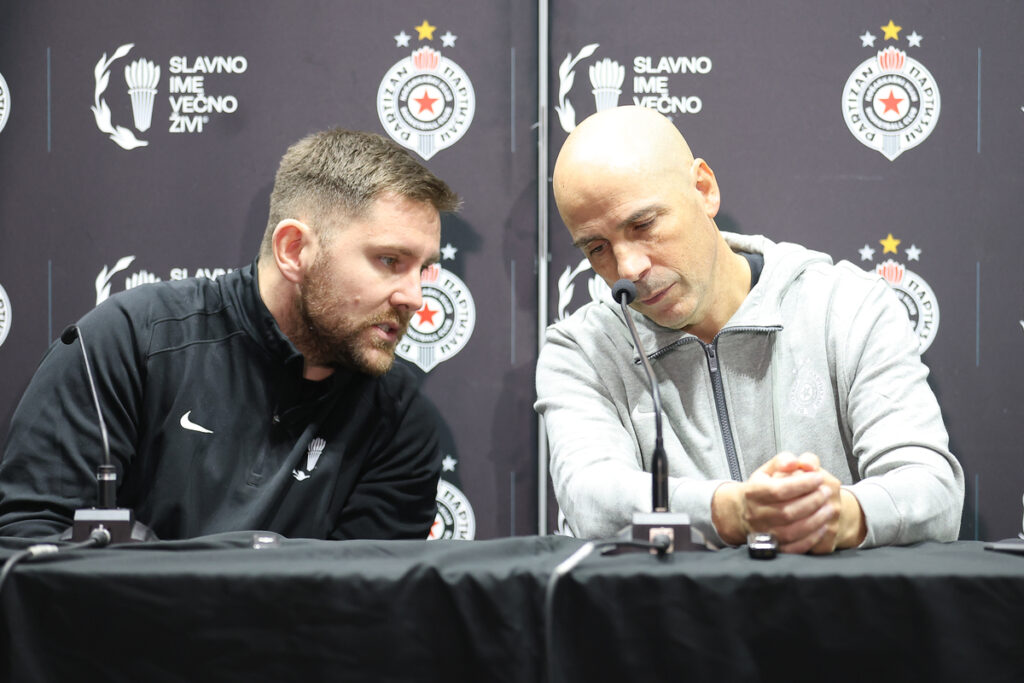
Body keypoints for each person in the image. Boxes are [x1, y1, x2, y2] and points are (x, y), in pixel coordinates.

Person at [535, 106, 964, 554]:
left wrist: (840, 516)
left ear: (703, 189)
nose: (628, 268)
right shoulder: (580, 350)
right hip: (667, 621)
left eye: (643, 225)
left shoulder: (848, 306)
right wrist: (731, 511)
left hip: (834, 617)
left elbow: (932, 491)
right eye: (597, 248)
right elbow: (591, 501)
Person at [0, 128, 460, 541]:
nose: (416, 297)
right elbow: (33, 546)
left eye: (424, 269)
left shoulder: (400, 419)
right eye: (389, 261)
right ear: (294, 250)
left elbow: (360, 607)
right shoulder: (130, 343)